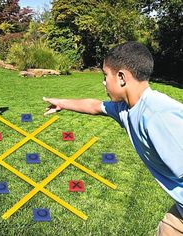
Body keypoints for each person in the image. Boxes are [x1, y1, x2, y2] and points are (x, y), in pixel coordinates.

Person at [43, 41, 183, 235]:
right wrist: (61, 103)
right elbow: (94, 106)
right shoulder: (126, 108)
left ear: (121, 77)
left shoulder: (156, 115)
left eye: (105, 75)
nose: (103, 82)